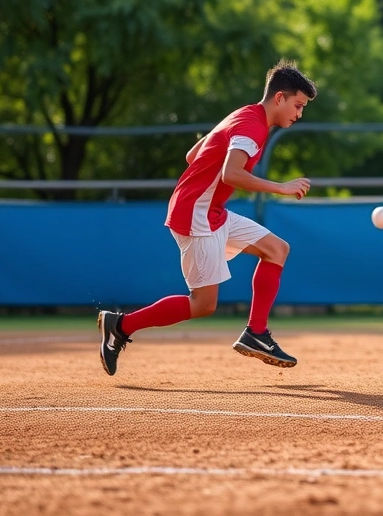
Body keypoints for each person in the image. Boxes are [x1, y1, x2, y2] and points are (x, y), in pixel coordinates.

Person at [97, 59, 316, 376]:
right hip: (196, 213)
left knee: (277, 249)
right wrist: (280, 187)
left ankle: (256, 333)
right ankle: (120, 325)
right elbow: (231, 174)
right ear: (279, 97)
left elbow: (191, 155)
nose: (298, 114)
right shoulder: (253, 125)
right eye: (297, 105)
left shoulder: (244, 115)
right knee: (203, 304)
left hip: (211, 211)